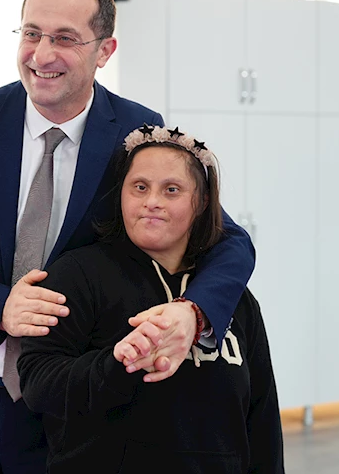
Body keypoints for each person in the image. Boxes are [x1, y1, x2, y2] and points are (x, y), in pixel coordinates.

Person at [0, 0, 256, 474]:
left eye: (64, 38)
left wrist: (194, 314)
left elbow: (228, 240)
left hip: (72, 405)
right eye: (31, 33)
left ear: (104, 51)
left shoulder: (134, 133)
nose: (41, 54)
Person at [18, 125, 284, 473]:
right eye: (140, 187)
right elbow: (38, 384)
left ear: (203, 202)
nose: (152, 202)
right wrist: (115, 364)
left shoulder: (233, 299)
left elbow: (262, 421)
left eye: (172, 190)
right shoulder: (77, 275)